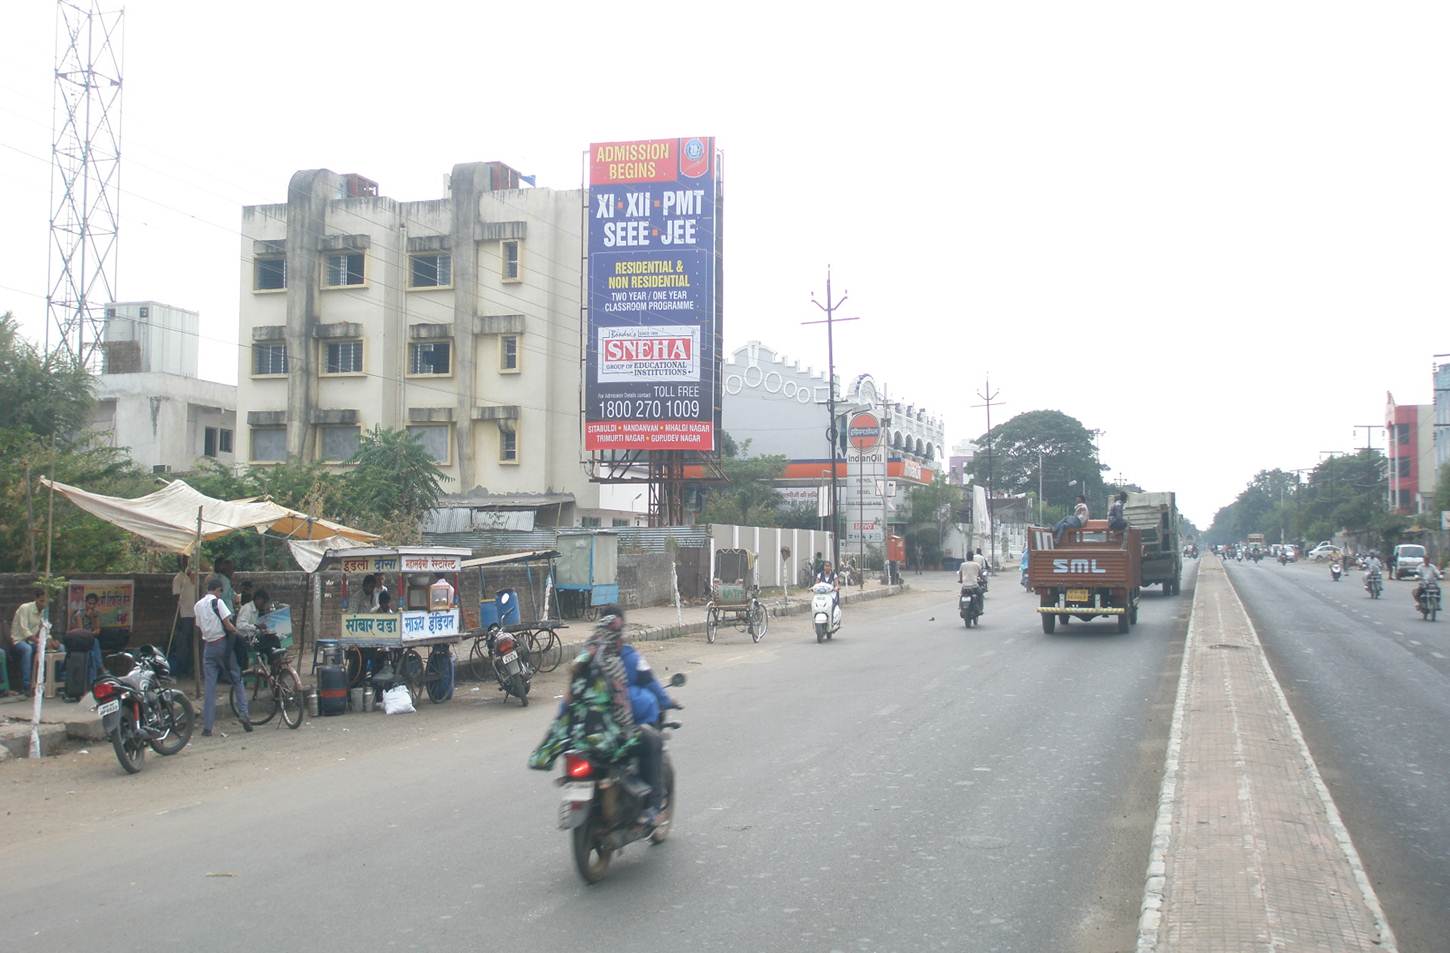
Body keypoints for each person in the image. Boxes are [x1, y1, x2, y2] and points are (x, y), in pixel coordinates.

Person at [196, 576, 251, 737]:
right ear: (218, 590)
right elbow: (227, 625)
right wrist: (237, 633)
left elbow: (199, 626)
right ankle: (244, 715)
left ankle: (207, 727)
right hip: (222, 645)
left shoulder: (198, 605)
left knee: (210, 687)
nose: (221, 595)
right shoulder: (218, 603)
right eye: (221, 592)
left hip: (208, 648)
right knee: (237, 678)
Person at [7, 588, 56, 696]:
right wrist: (38, 641)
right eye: (41, 601)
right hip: (19, 640)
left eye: (46, 601)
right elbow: (24, 630)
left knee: (59, 648)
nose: (44, 604)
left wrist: (50, 640)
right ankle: (26, 686)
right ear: (36, 599)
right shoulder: (25, 608)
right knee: (27, 649)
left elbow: (45, 629)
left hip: (34, 642)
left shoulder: (44, 612)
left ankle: (54, 682)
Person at [170, 555, 196, 677]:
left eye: (187, 560)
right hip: (185, 614)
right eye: (183, 560)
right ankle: (182, 669)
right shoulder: (178, 578)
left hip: (195, 613)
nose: (186, 562)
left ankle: (191, 668)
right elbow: (176, 596)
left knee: (193, 642)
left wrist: (191, 576)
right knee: (184, 643)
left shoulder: (192, 576)